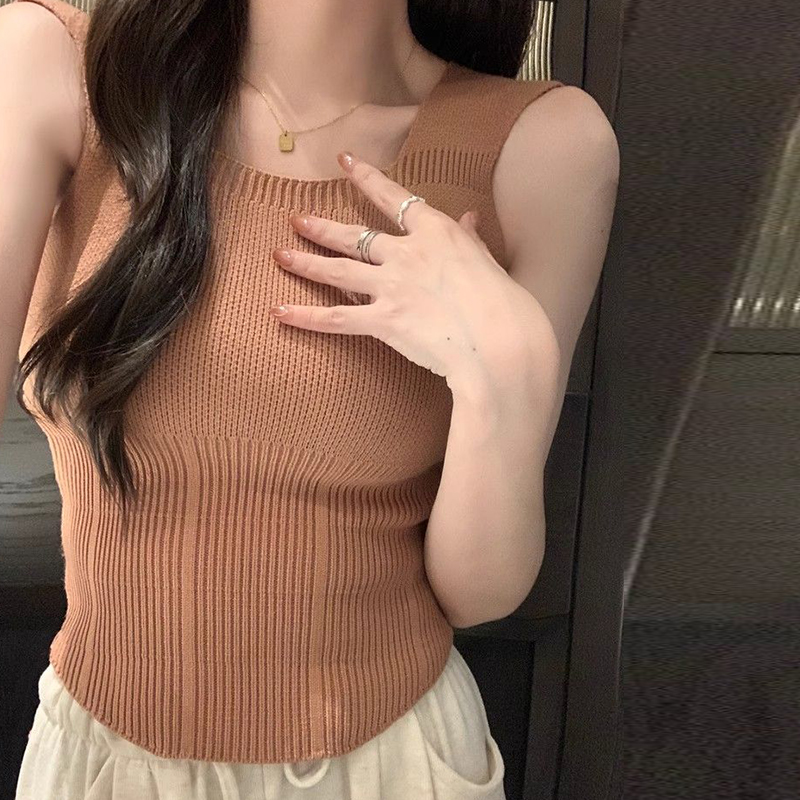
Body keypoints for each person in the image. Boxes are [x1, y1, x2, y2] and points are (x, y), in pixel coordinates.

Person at [0, 0, 619, 797]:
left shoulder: (544, 143)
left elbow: (479, 593)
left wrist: (504, 368)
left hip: (387, 765)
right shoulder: (49, 68)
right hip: (95, 758)